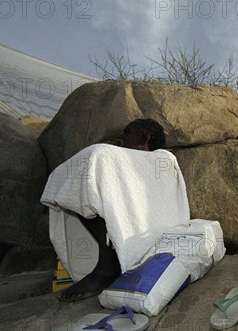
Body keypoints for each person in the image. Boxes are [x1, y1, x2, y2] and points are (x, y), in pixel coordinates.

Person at [42, 119, 190, 302]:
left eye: (128, 132)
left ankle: (107, 267)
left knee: (97, 156)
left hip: (154, 237)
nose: (121, 136)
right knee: (86, 186)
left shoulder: (161, 160)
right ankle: (110, 263)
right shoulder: (118, 162)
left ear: (145, 138)